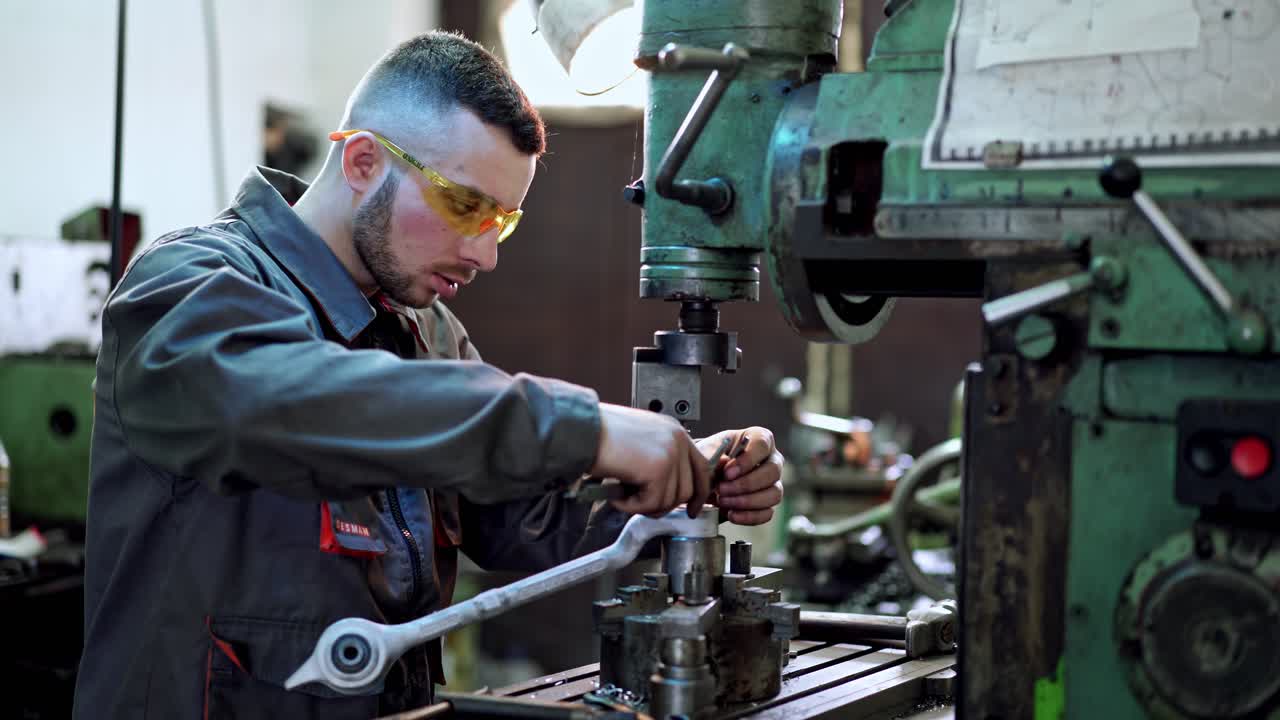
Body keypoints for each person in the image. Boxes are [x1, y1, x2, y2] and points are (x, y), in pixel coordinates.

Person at [73, 30, 784, 719]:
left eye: (501, 221)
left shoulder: (427, 330)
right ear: (362, 162)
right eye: (465, 205)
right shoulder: (189, 286)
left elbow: (514, 518)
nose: (485, 254)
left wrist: (679, 487)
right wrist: (586, 427)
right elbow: (293, 403)